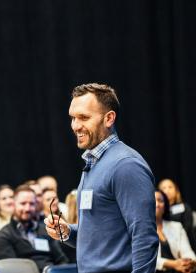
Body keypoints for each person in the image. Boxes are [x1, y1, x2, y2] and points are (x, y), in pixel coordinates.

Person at [44, 83, 158, 273]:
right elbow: (101, 235)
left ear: (109, 118)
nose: (75, 126)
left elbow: (144, 237)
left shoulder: (126, 165)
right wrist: (68, 232)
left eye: (84, 117)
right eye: (72, 118)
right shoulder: (94, 162)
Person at [0, 185, 68, 272]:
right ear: (13, 204)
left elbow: (62, 260)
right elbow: (12, 269)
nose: (27, 208)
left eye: (31, 204)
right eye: (23, 203)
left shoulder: (45, 230)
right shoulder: (3, 237)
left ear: (36, 205)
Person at [155, 190, 196, 273]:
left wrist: (189, 262)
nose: (157, 204)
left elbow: (188, 252)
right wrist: (173, 264)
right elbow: (143, 259)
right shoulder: (139, 229)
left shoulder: (176, 226)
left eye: (160, 201)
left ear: (165, 207)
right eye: (153, 201)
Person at [158, 178, 196, 252]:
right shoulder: (157, 209)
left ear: (176, 190)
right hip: (164, 245)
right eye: (164, 188)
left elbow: (187, 229)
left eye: (170, 187)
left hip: (186, 244)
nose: (167, 190)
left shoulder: (184, 207)